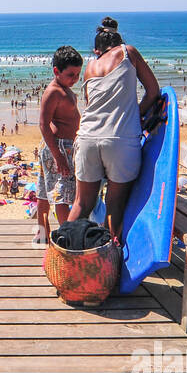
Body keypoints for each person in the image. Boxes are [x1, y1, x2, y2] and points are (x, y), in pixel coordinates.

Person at [68, 16, 161, 240]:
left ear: (96, 49)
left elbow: (92, 105)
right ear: (118, 41)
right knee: (114, 205)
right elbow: (153, 91)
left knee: (82, 203)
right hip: (120, 139)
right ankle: (110, 257)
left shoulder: (90, 66)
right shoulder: (128, 52)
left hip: (87, 137)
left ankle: (62, 252)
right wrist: (136, 114)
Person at [34, 46, 82, 244]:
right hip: (59, 147)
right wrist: (58, 155)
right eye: (71, 74)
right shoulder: (53, 92)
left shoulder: (65, 90)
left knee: (45, 192)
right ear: (56, 71)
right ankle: (66, 236)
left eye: (78, 74)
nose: (75, 78)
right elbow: (43, 125)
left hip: (59, 146)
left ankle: (42, 233)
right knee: (62, 193)